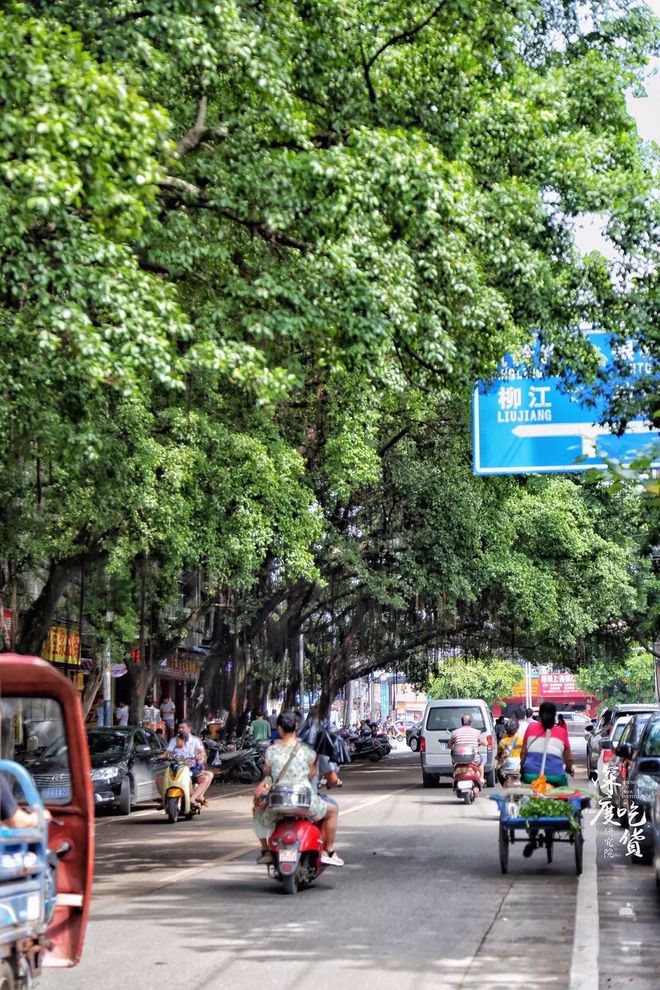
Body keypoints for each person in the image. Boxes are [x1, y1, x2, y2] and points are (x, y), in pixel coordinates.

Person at [254, 710, 343, 868]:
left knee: (257, 810)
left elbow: (268, 773)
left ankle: (266, 849)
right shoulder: (308, 751)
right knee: (333, 810)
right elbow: (311, 774)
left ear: (279, 728)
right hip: (304, 801)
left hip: (278, 802)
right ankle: (328, 850)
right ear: (296, 726)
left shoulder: (271, 750)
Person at [159, 721, 213, 808]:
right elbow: (166, 753)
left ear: (189, 729)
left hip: (190, 769)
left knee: (207, 776)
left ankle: (195, 797)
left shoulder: (195, 740)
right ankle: (164, 800)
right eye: (179, 728)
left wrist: (200, 757)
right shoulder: (174, 741)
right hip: (175, 768)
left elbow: (202, 753)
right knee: (159, 777)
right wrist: (160, 757)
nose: (180, 729)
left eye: (182, 727)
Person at [520, 701, 574, 788]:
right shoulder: (561, 732)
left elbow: (523, 753)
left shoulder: (531, 728)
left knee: (527, 798)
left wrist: (522, 768)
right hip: (556, 776)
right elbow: (569, 759)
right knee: (564, 797)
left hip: (531, 775)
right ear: (554, 716)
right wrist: (569, 769)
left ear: (540, 715)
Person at [448, 714, 486, 782]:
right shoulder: (476, 732)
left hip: (458, 759)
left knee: (453, 762)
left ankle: (455, 776)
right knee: (481, 760)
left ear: (462, 722)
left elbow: (449, 745)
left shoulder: (455, 732)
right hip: (473, 759)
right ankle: (481, 777)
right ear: (471, 722)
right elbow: (485, 743)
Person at [496, 717, 523, 785]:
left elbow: (499, 756)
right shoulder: (521, 740)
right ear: (517, 729)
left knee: (497, 770)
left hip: (506, 767)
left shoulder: (502, 741)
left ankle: (504, 787)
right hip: (518, 767)